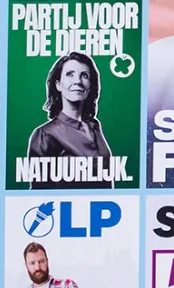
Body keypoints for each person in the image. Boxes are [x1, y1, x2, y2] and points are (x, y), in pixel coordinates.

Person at [26, 51, 117, 188]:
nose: (78, 81)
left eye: (84, 76)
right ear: (58, 85)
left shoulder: (95, 126)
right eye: (70, 74)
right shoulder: (45, 135)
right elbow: (39, 193)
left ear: (90, 85)